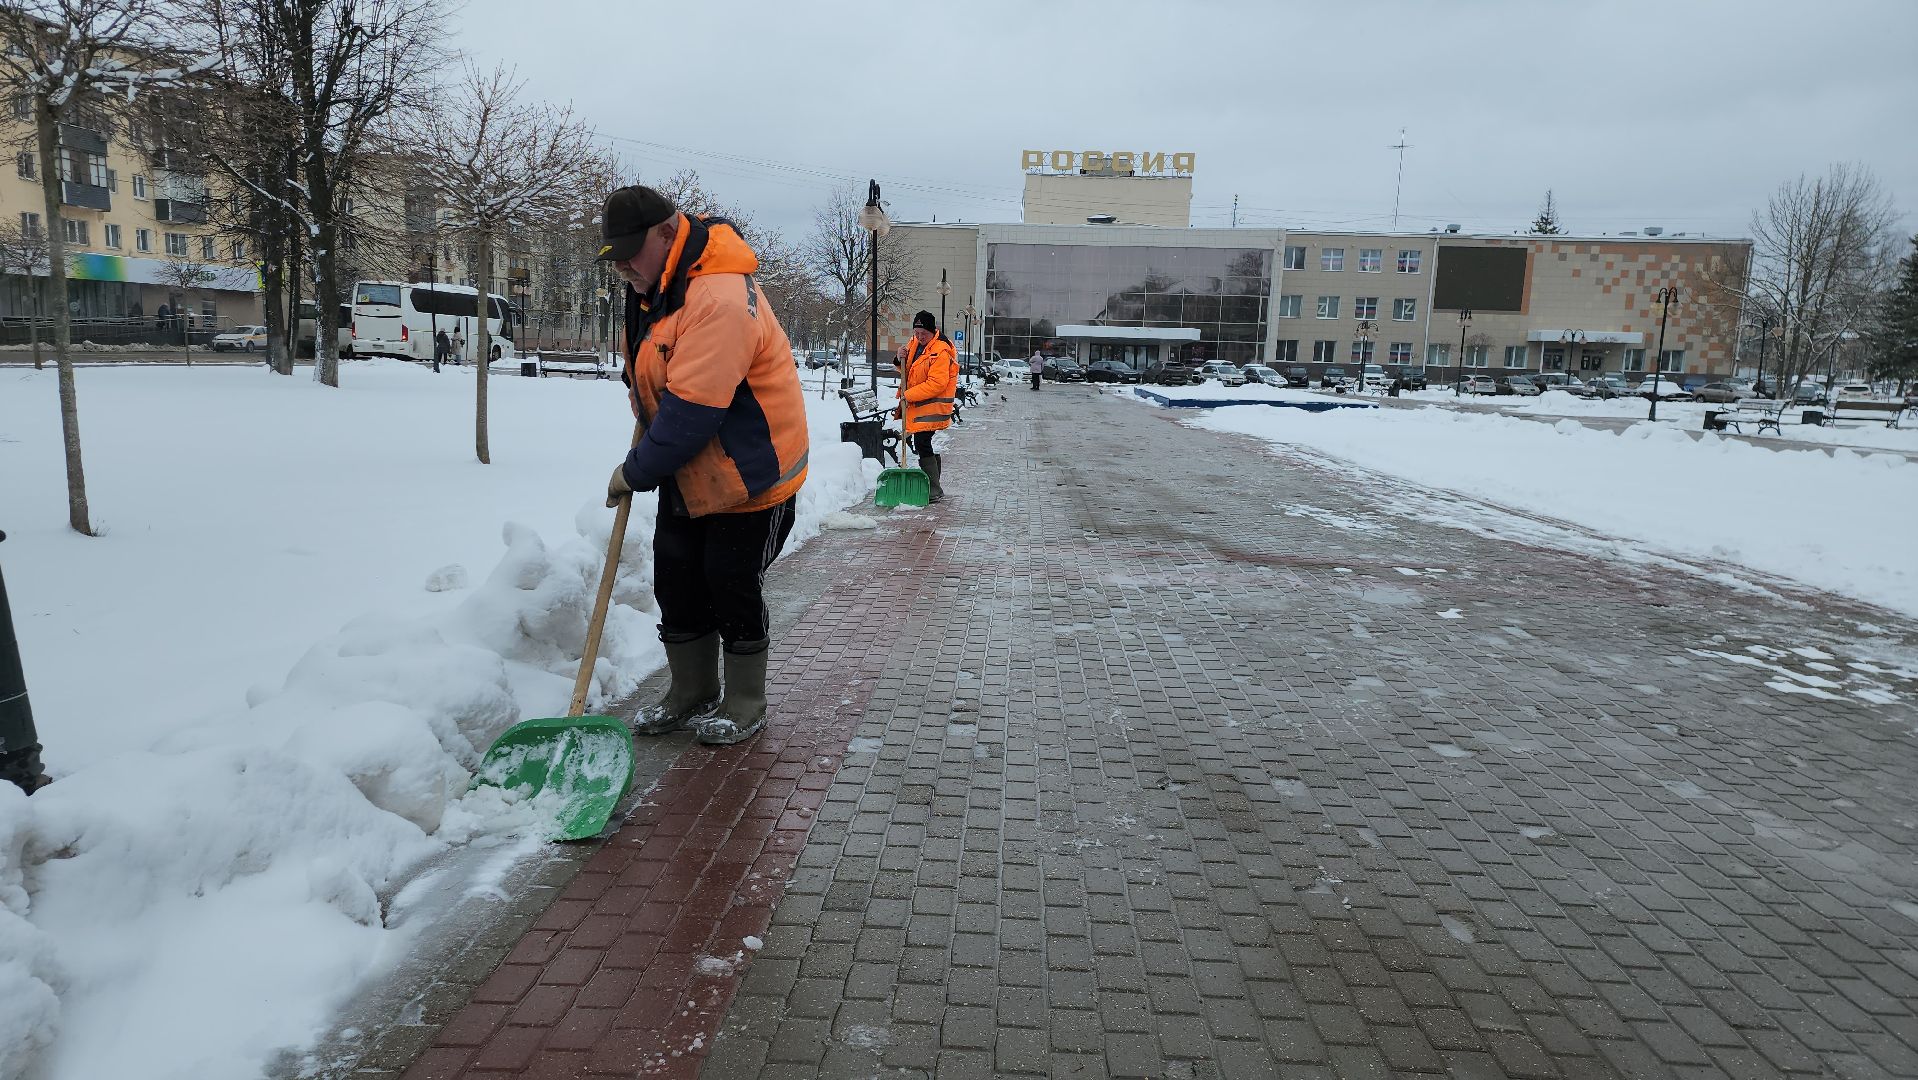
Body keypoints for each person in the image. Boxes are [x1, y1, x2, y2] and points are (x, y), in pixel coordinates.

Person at [599, 184, 809, 746]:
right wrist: (646, 425)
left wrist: (637, 469)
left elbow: (692, 413)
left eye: (630, 250)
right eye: (614, 254)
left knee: (730, 581)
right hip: (692, 467)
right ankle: (691, 690)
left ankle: (744, 699)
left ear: (668, 234)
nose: (621, 265)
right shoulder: (653, 285)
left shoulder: (716, 296)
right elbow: (652, 374)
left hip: (750, 468)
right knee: (675, 576)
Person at [894, 310, 958, 503]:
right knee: (922, 443)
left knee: (922, 442)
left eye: (924, 334)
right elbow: (909, 371)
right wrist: (899, 357)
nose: (920, 337)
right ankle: (934, 485)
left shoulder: (941, 350)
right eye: (917, 332)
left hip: (932, 407)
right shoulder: (915, 343)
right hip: (918, 406)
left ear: (933, 331)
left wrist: (908, 395)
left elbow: (937, 383)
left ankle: (934, 488)